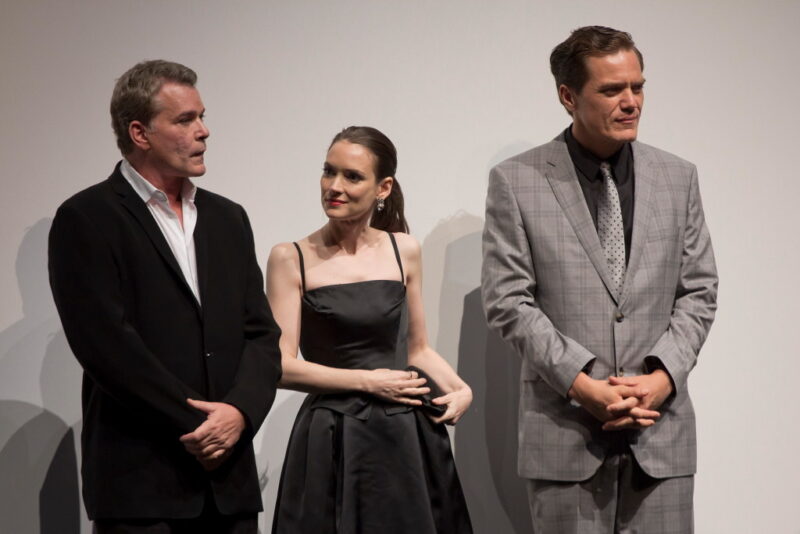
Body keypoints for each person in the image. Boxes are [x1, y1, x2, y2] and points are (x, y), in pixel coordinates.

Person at [481, 26, 718, 532]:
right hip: (565, 437)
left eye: (638, 86)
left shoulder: (679, 177)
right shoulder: (516, 181)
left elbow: (698, 290)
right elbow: (508, 300)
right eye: (612, 90)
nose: (631, 101)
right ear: (568, 97)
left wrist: (662, 378)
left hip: (662, 435)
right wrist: (582, 383)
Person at [48, 60, 282, 533]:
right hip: (143, 487)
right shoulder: (87, 218)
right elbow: (107, 348)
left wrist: (239, 413)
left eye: (201, 116)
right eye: (185, 120)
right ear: (140, 133)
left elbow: (260, 333)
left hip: (228, 486)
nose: (204, 131)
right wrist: (200, 425)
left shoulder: (227, 218)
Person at [267, 126, 473, 533]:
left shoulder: (404, 250)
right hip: (333, 432)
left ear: (384, 188)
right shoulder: (291, 257)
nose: (334, 186)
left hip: (404, 431)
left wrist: (461, 388)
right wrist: (368, 382)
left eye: (352, 176)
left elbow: (418, 350)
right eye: (329, 171)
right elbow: (280, 365)